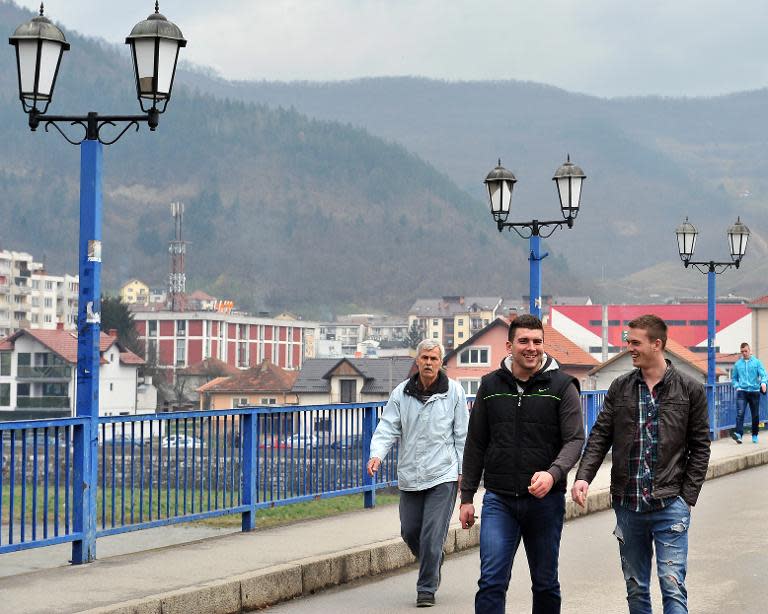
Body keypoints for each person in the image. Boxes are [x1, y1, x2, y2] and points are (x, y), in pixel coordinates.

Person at [571, 314, 711, 614]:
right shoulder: (620, 388)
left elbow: (701, 447)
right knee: (636, 589)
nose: (629, 348)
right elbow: (599, 437)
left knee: (672, 587)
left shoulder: (690, 390)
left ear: (657, 344)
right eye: (628, 342)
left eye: (635, 342)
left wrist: (687, 497)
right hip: (628, 504)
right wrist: (583, 477)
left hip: (670, 504)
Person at [459, 314, 584, 614]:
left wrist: (553, 475)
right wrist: (466, 498)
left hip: (545, 502)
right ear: (509, 346)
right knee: (491, 581)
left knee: (544, 583)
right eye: (524, 341)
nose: (532, 348)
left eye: (537, 341)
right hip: (499, 500)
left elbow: (575, 440)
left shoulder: (563, 386)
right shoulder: (490, 385)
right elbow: (475, 443)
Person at [366, 338, 468, 608]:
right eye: (424, 358)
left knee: (432, 535)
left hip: (442, 475)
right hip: (411, 474)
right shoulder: (402, 393)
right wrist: (376, 454)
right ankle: (434, 560)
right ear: (417, 361)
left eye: (434, 359)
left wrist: (462, 470)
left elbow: (462, 435)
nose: (428, 363)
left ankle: (426, 588)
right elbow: (388, 427)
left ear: (441, 363)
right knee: (410, 532)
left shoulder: (454, 393)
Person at [730, 341, 767, 444]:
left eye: (746, 351)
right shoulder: (737, 364)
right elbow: (734, 379)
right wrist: (737, 386)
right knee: (740, 413)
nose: (744, 353)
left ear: (750, 350)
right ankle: (739, 435)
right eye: (742, 351)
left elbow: (764, 375)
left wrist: (763, 383)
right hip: (742, 391)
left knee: (755, 415)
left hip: (754, 391)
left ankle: (754, 434)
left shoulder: (757, 362)